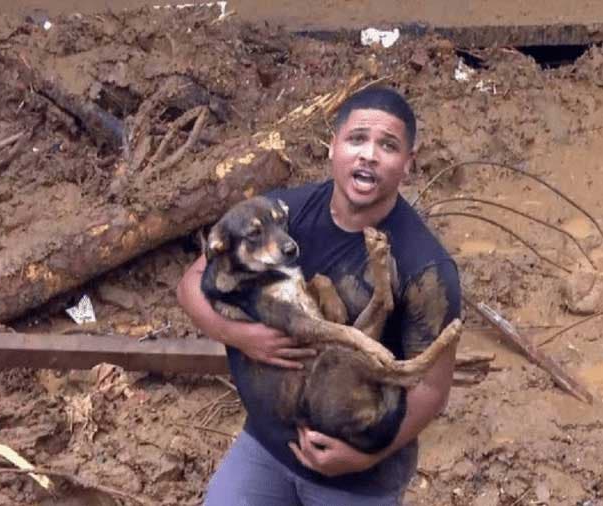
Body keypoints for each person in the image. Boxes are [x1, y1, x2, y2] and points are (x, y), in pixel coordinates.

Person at [176, 86, 462, 505]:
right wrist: (238, 335)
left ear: (408, 165)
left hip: (357, 474)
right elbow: (190, 285)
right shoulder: (281, 215)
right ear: (333, 147)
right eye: (356, 139)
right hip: (268, 445)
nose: (368, 154)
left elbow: (432, 390)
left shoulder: (426, 268)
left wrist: (362, 459)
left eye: (388, 145)